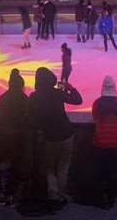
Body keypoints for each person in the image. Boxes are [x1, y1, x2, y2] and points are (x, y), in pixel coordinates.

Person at [28, 67, 82, 210]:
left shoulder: (34, 97)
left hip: (50, 137)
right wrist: (71, 88)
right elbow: (78, 101)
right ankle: (61, 196)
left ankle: (53, 196)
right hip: (66, 134)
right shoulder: (57, 93)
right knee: (63, 168)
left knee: (50, 168)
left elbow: (32, 119)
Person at [0, 69, 29, 207]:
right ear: (21, 85)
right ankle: (10, 195)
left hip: (4, 136)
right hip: (19, 137)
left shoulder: (4, 97)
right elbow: (30, 118)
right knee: (16, 166)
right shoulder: (24, 99)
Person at [92, 76, 117, 209]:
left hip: (100, 142)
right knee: (113, 170)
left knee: (102, 171)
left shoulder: (97, 103)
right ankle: (112, 196)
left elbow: (95, 118)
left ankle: (104, 196)